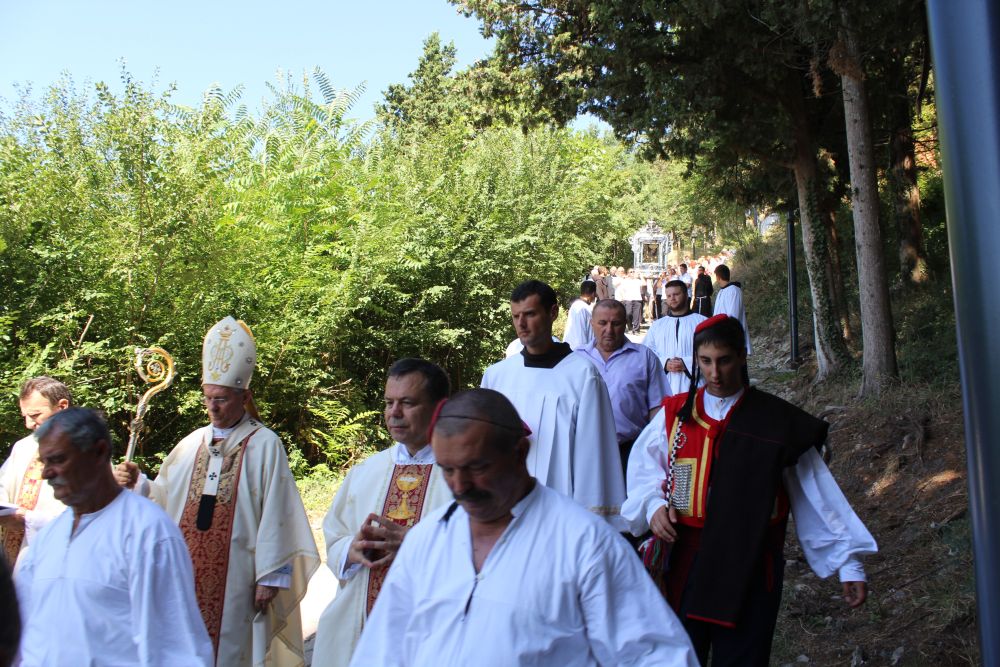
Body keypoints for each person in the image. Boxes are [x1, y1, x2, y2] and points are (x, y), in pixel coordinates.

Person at [350, 389, 699, 667]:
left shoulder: (585, 544)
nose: (460, 486)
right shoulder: (427, 540)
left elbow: (655, 656)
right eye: (448, 469)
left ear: (520, 452)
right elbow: (382, 649)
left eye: (476, 467)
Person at [623, 315, 877, 665]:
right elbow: (644, 471)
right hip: (686, 561)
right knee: (679, 656)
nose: (715, 373)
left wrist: (849, 564)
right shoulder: (676, 414)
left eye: (724, 360)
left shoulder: (776, 422)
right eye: (706, 361)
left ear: (742, 356)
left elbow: (815, 494)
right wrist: (652, 505)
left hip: (751, 563)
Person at [116, 316, 319, 666]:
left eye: (222, 399)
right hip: (185, 573)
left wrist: (270, 576)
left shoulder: (264, 444)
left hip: (239, 580)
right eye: (208, 398)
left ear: (245, 397)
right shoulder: (191, 443)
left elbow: (279, 513)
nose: (212, 406)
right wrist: (138, 483)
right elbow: (165, 497)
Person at [17, 408, 214, 666]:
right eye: (45, 462)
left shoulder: (148, 532)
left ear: (99, 452)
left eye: (58, 460)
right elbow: (25, 630)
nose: (46, 473)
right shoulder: (49, 537)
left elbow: (176, 646)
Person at [312, 359, 453, 667]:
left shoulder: (460, 475)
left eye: (408, 403)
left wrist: (416, 543)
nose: (394, 413)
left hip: (431, 635)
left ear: (439, 408)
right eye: (389, 403)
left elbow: (482, 553)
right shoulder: (366, 472)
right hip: (360, 631)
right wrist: (351, 549)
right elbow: (334, 536)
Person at [481, 280, 624, 527]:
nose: (521, 324)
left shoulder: (583, 375)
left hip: (561, 515)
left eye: (530, 314)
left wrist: (586, 523)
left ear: (553, 313)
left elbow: (594, 456)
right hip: (505, 509)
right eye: (516, 316)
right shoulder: (497, 376)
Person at [577, 299, 668, 476]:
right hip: (586, 453)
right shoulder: (577, 359)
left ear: (625, 323)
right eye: (602, 323)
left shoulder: (644, 357)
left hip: (632, 452)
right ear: (592, 323)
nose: (609, 330)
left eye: (616, 323)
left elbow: (658, 408)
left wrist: (656, 449)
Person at [0, 377, 70, 572]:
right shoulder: (23, 447)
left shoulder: (88, 452)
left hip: (57, 562)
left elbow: (92, 517)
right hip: (16, 560)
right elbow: (3, 486)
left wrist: (29, 520)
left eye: (35, 415)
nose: (29, 424)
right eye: (25, 416)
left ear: (62, 407)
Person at [644, 280, 707, 396]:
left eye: (676, 294)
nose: (672, 298)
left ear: (686, 295)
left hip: (695, 387)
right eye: (668, 296)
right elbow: (647, 353)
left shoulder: (702, 322)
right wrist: (665, 363)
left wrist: (686, 363)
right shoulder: (657, 325)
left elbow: (711, 353)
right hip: (664, 388)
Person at [713, 264, 752, 354]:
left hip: (732, 333)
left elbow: (734, 314)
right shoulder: (721, 291)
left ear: (718, 277)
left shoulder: (734, 290)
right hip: (722, 333)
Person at [563, 280, 597, 350]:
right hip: (578, 351)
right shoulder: (581, 308)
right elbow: (580, 334)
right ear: (593, 294)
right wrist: (583, 352)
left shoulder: (579, 306)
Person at [617, 268, 644, 334]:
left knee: (637, 315)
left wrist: (641, 275)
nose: (632, 273)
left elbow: (644, 283)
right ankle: (630, 327)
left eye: (633, 272)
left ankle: (636, 330)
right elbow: (621, 290)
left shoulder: (638, 281)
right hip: (628, 299)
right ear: (628, 273)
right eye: (630, 272)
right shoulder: (625, 281)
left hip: (637, 299)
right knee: (628, 314)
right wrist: (623, 298)